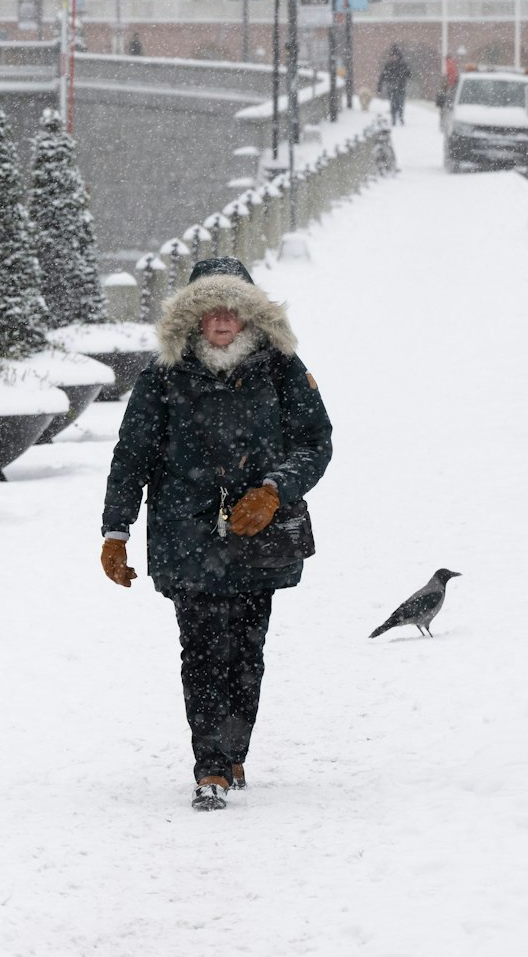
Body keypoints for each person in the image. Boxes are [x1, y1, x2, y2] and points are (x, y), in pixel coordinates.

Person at [99, 257, 332, 812]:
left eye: (234, 309)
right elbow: (132, 454)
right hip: (187, 535)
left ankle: (233, 751)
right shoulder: (162, 375)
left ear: (251, 316)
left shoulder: (282, 370)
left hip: (261, 534)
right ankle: (211, 766)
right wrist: (115, 530)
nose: (223, 319)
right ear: (194, 317)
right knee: (201, 650)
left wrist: (275, 491)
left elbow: (316, 441)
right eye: (211, 309)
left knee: (247, 651)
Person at [374, 45, 411, 127]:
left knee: (400, 103)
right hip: (391, 87)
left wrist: (405, 73)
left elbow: (409, 75)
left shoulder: (403, 65)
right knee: (393, 103)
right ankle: (393, 118)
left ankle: (400, 117)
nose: (394, 57)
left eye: (395, 56)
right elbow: (382, 76)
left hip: (401, 87)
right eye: (392, 56)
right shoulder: (388, 65)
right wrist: (379, 86)